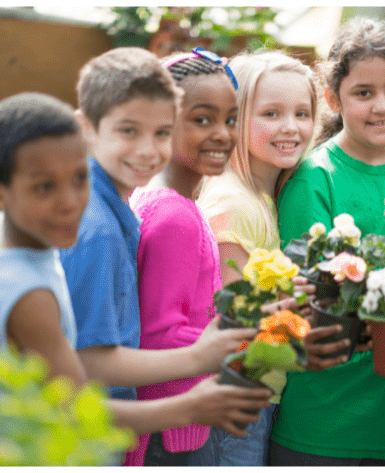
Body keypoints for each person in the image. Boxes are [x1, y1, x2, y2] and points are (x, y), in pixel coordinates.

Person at [0, 92, 271, 466]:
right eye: (44, 187)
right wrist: (190, 406)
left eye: (79, 178)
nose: (71, 202)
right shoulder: (29, 294)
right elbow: (78, 410)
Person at [190, 50, 328, 466]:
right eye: (270, 113)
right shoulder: (233, 203)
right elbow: (236, 322)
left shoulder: (263, 196)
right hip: (236, 401)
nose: (290, 127)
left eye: (302, 113)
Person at [271, 17, 385, 466]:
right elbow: (313, 300)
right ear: (334, 98)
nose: (380, 106)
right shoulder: (316, 178)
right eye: (364, 93)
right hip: (329, 425)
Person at [124, 48, 241, 466]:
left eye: (231, 119)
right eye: (202, 119)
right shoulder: (175, 216)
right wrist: (246, 342)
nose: (223, 134)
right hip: (170, 435)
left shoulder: (160, 200)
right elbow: (158, 334)